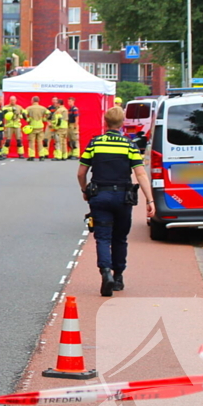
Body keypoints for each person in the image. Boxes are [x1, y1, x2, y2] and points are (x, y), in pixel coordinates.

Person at [77, 106, 155, 297]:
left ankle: (105, 273)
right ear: (122, 124)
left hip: (100, 196)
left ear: (105, 122)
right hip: (122, 198)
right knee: (120, 238)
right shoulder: (129, 145)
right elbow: (141, 174)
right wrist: (149, 199)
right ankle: (118, 276)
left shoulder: (95, 144)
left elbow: (81, 172)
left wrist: (85, 190)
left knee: (102, 238)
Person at [25, 96, 46, 161]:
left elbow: (23, 113)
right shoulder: (43, 108)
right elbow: (49, 114)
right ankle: (42, 156)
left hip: (32, 127)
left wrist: (27, 119)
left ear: (33, 100)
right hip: (40, 126)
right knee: (40, 142)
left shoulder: (29, 108)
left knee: (31, 142)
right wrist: (44, 119)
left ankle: (31, 156)